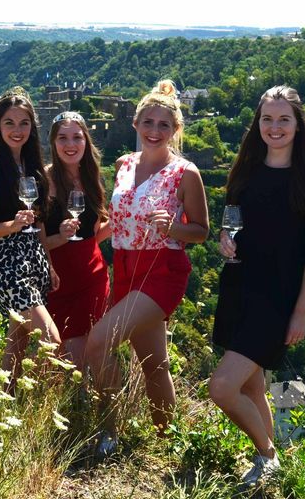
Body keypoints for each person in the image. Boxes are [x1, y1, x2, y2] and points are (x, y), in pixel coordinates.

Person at [210, 85, 305, 486]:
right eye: (267, 118)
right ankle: (272, 471)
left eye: (284, 119)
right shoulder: (245, 171)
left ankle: (268, 456)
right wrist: (225, 242)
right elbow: (232, 225)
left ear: (298, 125)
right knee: (251, 386)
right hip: (238, 287)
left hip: (277, 300)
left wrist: (301, 312)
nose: (274, 127)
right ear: (257, 123)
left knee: (222, 388)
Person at [85, 80, 209, 456]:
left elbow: (201, 231)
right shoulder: (124, 164)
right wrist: (84, 241)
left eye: (164, 125)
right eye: (149, 122)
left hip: (161, 270)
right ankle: (166, 440)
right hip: (124, 269)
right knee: (155, 365)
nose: (155, 131)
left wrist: (173, 228)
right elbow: (118, 219)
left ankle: (110, 429)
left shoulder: (185, 173)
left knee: (98, 342)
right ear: (136, 123)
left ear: (176, 130)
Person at [0, 86, 61, 392]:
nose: (17, 130)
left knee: (18, 341)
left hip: (33, 259)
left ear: (32, 126)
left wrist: (49, 264)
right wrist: (12, 224)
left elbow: (40, 222)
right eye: (9, 122)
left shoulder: (32, 167)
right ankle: (41, 403)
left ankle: (5, 401)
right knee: (51, 341)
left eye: (24, 123)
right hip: (5, 264)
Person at [41, 111, 110, 371]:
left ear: (86, 141)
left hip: (92, 278)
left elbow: (92, 236)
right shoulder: (43, 182)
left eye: (77, 137)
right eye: (63, 138)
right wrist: (61, 236)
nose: (70, 144)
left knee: (87, 356)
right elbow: (33, 244)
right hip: (57, 282)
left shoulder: (93, 178)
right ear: (53, 143)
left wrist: (117, 222)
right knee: (61, 361)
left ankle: (99, 397)